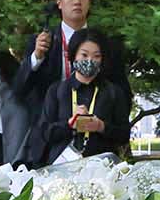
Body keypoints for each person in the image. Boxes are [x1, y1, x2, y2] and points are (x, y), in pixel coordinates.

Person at [22, 29, 131, 166]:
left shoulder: (113, 92)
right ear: (74, 56)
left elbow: (124, 134)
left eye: (96, 56)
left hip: (101, 169)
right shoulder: (57, 90)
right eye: (84, 55)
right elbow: (44, 133)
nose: (90, 61)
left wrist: (101, 127)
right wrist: (69, 124)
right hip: (61, 168)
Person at [15, 0, 100, 115]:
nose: (77, 2)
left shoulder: (103, 43)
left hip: (93, 125)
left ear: (89, 2)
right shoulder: (42, 42)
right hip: (50, 127)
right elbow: (20, 90)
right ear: (59, 2)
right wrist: (37, 57)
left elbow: (120, 92)